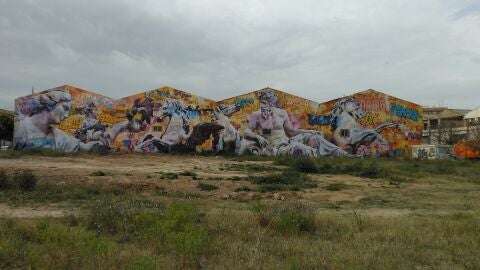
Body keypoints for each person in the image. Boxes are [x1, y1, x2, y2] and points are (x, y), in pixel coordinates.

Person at [239, 89, 350, 157]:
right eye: (270, 97)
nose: (273, 99)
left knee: (315, 137)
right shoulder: (256, 115)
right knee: (298, 148)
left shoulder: (282, 113)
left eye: (272, 97)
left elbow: (291, 131)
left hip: (288, 141)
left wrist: (310, 130)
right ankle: (317, 156)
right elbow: (247, 132)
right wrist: (258, 137)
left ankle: (345, 155)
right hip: (275, 147)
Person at [14, 89, 101, 152]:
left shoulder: (60, 137)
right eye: (65, 108)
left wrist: (100, 140)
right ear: (50, 103)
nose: (66, 115)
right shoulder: (20, 126)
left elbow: (83, 148)